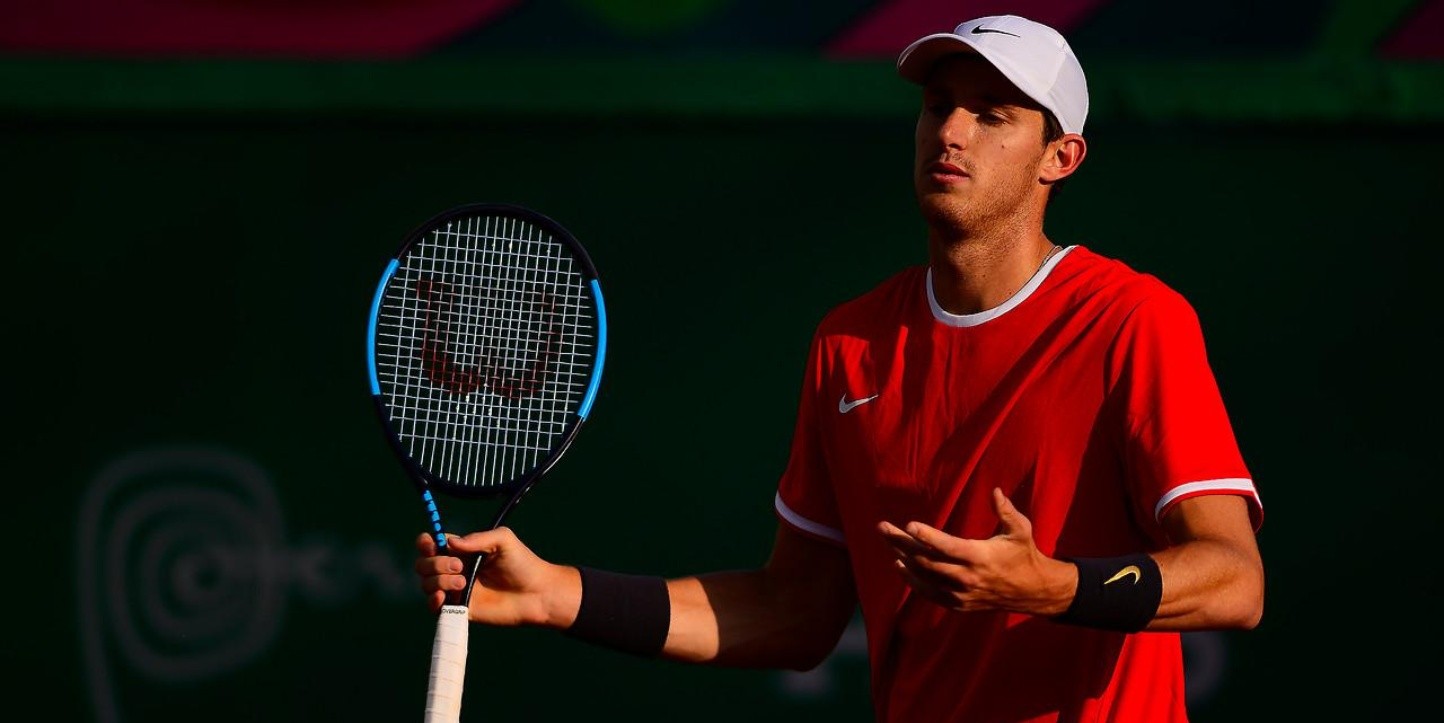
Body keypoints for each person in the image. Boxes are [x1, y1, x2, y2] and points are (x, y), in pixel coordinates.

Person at [414, 14, 1264, 723]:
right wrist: (555, 593)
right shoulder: (849, 343)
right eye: (939, 106)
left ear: (1060, 158)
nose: (953, 131)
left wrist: (1052, 586)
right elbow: (794, 612)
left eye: (994, 113)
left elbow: (1233, 578)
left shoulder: (1133, 320)